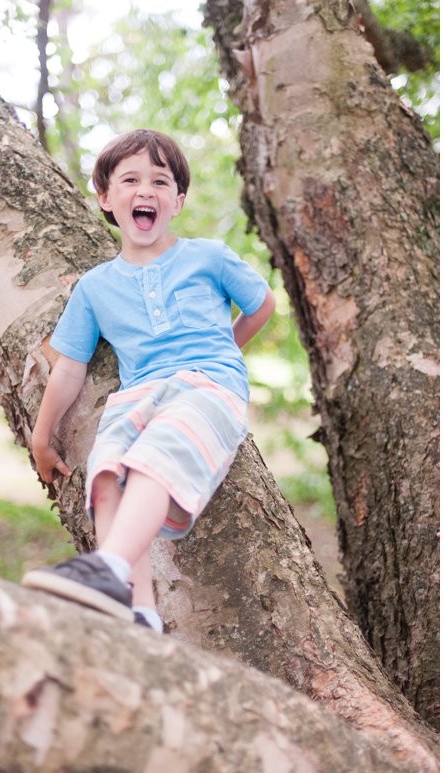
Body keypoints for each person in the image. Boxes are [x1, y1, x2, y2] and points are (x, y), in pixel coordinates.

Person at [22, 129, 275, 633]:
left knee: (161, 452)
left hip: (207, 384)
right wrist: (41, 435)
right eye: (130, 179)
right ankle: (139, 612)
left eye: (160, 182)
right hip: (137, 392)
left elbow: (262, 304)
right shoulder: (95, 287)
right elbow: (70, 367)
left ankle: (107, 568)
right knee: (107, 470)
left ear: (177, 201)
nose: (145, 191)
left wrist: (224, 352)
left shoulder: (208, 256)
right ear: (105, 197)